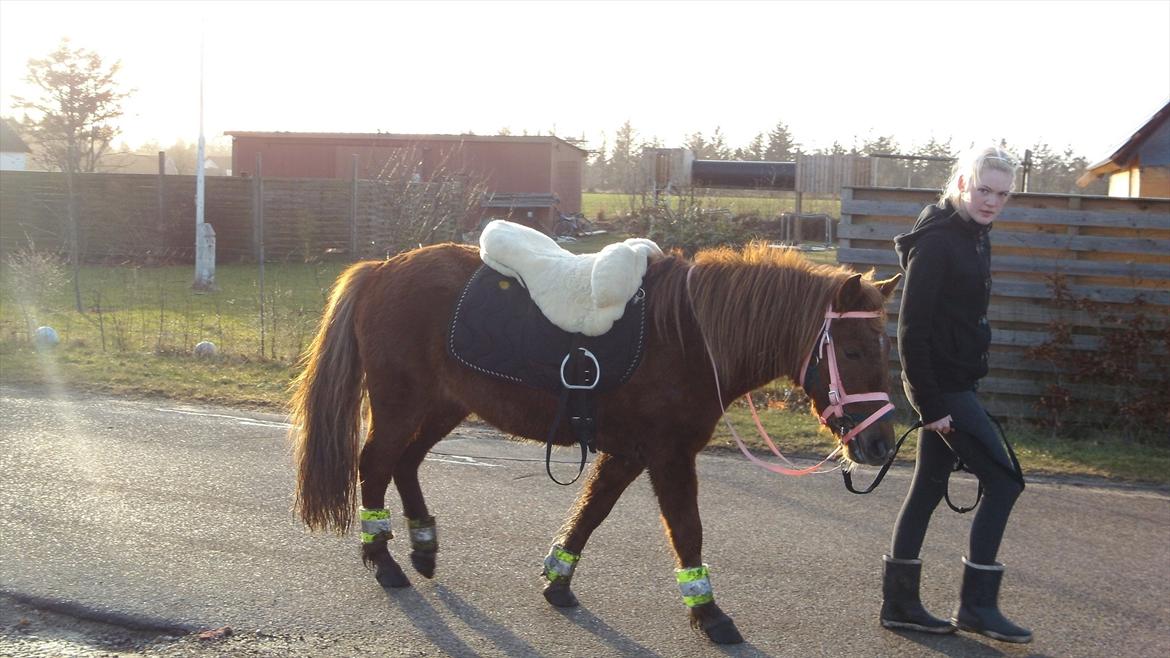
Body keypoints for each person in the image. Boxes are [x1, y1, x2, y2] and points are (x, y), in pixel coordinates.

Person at [879, 145, 1031, 644]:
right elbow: (911, 332)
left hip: (955, 384)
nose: (992, 201)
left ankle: (901, 605)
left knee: (927, 485)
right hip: (942, 389)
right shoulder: (940, 241)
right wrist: (932, 407)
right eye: (984, 189)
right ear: (963, 184)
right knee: (1005, 482)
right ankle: (977, 607)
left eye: (1002, 194)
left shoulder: (973, 234)